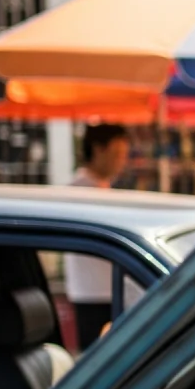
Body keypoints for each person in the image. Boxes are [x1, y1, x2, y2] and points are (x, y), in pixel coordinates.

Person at [64, 124, 131, 350]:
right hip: (97, 293)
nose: (121, 161)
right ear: (98, 150)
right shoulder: (83, 191)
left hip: (100, 290)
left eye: (123, 154)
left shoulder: (95, 189)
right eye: (117, 154)